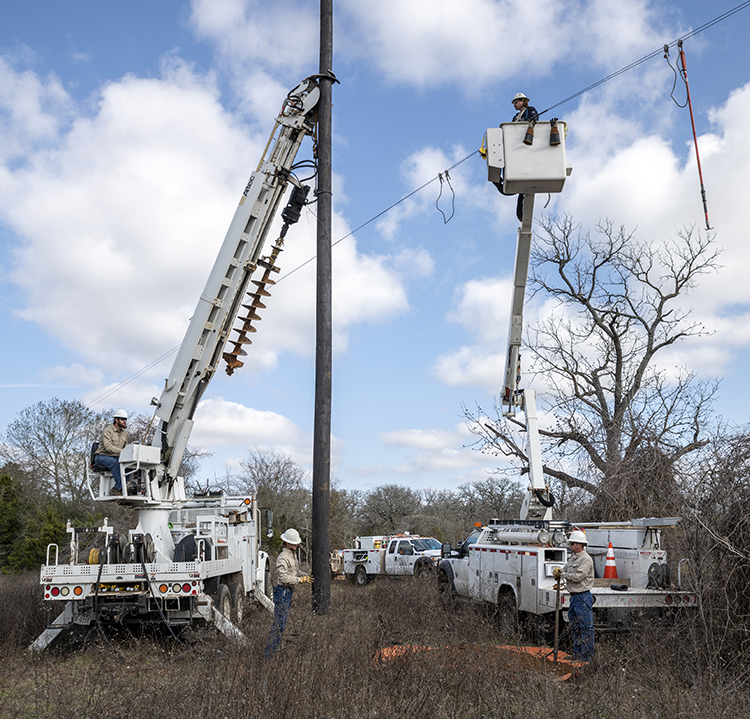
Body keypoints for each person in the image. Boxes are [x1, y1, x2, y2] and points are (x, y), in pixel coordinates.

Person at [263, 528, 312, 659]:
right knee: (279, 625)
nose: (295, 544)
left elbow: (295, 572)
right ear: (286, 542)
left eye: (296, 542)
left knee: (281, 625)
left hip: (288, 592)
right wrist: (301, 580)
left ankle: (270, 654)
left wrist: (307, 576)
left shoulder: (292, 555)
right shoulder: (282, 558)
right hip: (282, 592)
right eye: (293, 542)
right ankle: (267, 656)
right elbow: (284, 577)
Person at [494, 93, 540, 220]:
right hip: (515, 148)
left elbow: (535, 119)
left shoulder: (530, 110)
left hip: (525, 144)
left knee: (521, 192)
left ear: (522, 101)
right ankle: (498, 180)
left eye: (516, 102)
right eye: (514, 103)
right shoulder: (515, 117)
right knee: (510, 188)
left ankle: (520, 215)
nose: (514, 105)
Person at [554, 530, 595, 663]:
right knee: (574, 626)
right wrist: (559, 571)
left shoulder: (586, 559)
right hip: (574, 597)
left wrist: (563, 575)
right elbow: (565, 569)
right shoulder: (573, 558)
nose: (570, 546)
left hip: (583, 597)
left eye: (572, 543)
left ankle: (586, 658)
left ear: (580, 545)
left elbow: (578, 577)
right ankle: (577, 654)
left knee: (585, 627)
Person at [93, 409, 130, 496]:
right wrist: (122, 452)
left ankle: (118, 488)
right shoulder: (108, 431)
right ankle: (120, 487)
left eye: (126, 419)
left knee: (130, 465)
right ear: (116, 420)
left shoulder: (125, 434)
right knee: (115, 464)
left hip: (116, 456)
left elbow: (126, 447)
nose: (125, 421)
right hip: (102, 456)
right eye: (123, 419)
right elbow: (108, 447)